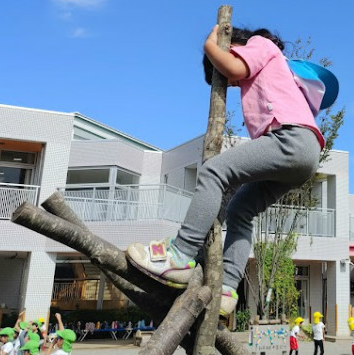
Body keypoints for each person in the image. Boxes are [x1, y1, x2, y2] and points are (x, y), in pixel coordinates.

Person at [126, 26, 331, 319]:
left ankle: (179, 255)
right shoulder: (275, 70)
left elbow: (234, 65)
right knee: (241, 211)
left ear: (234, 44)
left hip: (291, 139)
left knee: (214, 171)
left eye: (228, 79)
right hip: (304, 154)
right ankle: (227, 291)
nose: (232, 83)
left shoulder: (261, 45)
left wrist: (210, 44)